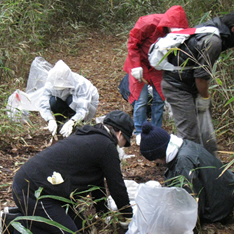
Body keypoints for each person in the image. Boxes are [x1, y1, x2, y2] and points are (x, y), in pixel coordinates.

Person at [11, 110, 134, 233]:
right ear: (120, 133)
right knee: (68, 232)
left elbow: (97, 183)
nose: (122, 146)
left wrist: (103, 213)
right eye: (125, 142)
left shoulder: (92, 137)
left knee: (82, 229)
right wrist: (128, 214)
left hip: (48, 188)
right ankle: (12, 223)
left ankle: (19, 214)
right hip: (33, 189)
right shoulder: (107, 146)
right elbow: (117, 186)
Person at [150, 12, 234, 156]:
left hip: (188, 84)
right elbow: (201, 78)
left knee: (205, 132)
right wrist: (205, 98)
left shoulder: (212, 29)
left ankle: (210, 168)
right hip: (177, 87)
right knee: (190, 136)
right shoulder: (213, 41)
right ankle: (188, 174)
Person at [139, 121, 234, 223]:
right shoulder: (184, 145)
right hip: (225, 193)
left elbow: (190, 201)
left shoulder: (183, 163)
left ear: (158, 154)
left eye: (154, 160)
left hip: (218, 208)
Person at [123, 5, 189, 145]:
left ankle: (155, 131)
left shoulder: (181, 34)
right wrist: (135, 65)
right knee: (141, 100)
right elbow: (132, 43)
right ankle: (140, 132)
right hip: (140, 62)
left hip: (158, 66)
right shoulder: (148, 23)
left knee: (159, 99)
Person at [39, 59, 99, 138]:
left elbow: (83, 109)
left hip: (88, 105)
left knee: (72, 100)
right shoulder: (50, 83)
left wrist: (72, 122)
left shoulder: (80, 84)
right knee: (53, 101)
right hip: (64, 102)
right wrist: (50, 119)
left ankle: (76, 124)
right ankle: (61, 122)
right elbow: (43, 103)